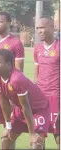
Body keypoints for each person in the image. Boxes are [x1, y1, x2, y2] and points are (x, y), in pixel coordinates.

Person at [0, 49, 50, 149]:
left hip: (39, 110)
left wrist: (32, 134)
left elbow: (26, 107)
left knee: (36, 144)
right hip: (21, 109)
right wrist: (8, 126)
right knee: (6, 138)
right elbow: (3, 101)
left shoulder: (16, 79)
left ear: (9, 65)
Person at [34, 16, 60, 149]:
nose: (39, 31)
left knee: (58, 134)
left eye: (42, 27)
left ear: (52, 27)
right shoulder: (38, 48)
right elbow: (36, 73)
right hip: (40, 99)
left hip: (56, 96)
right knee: (39, 135)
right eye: (38, 28)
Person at [0, 11, 25, 85]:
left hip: (8, 87)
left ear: (8, 23)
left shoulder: (16, 43)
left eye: (0, 22)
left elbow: (19, 70)